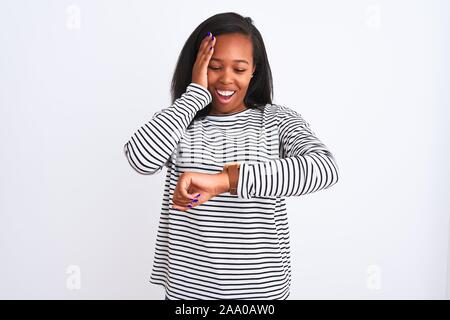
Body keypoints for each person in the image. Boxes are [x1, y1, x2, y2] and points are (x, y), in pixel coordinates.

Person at [123, 12, 340, 300]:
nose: (226, 79)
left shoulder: (277, 121)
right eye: (214, 67)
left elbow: (324, 168)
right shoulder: (179, 121)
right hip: (189, 293)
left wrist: (226, 181)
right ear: (197, 66)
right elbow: (140, 159)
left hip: (261, 293)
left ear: (254, 70)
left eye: (239, 69)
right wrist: (194, 96)